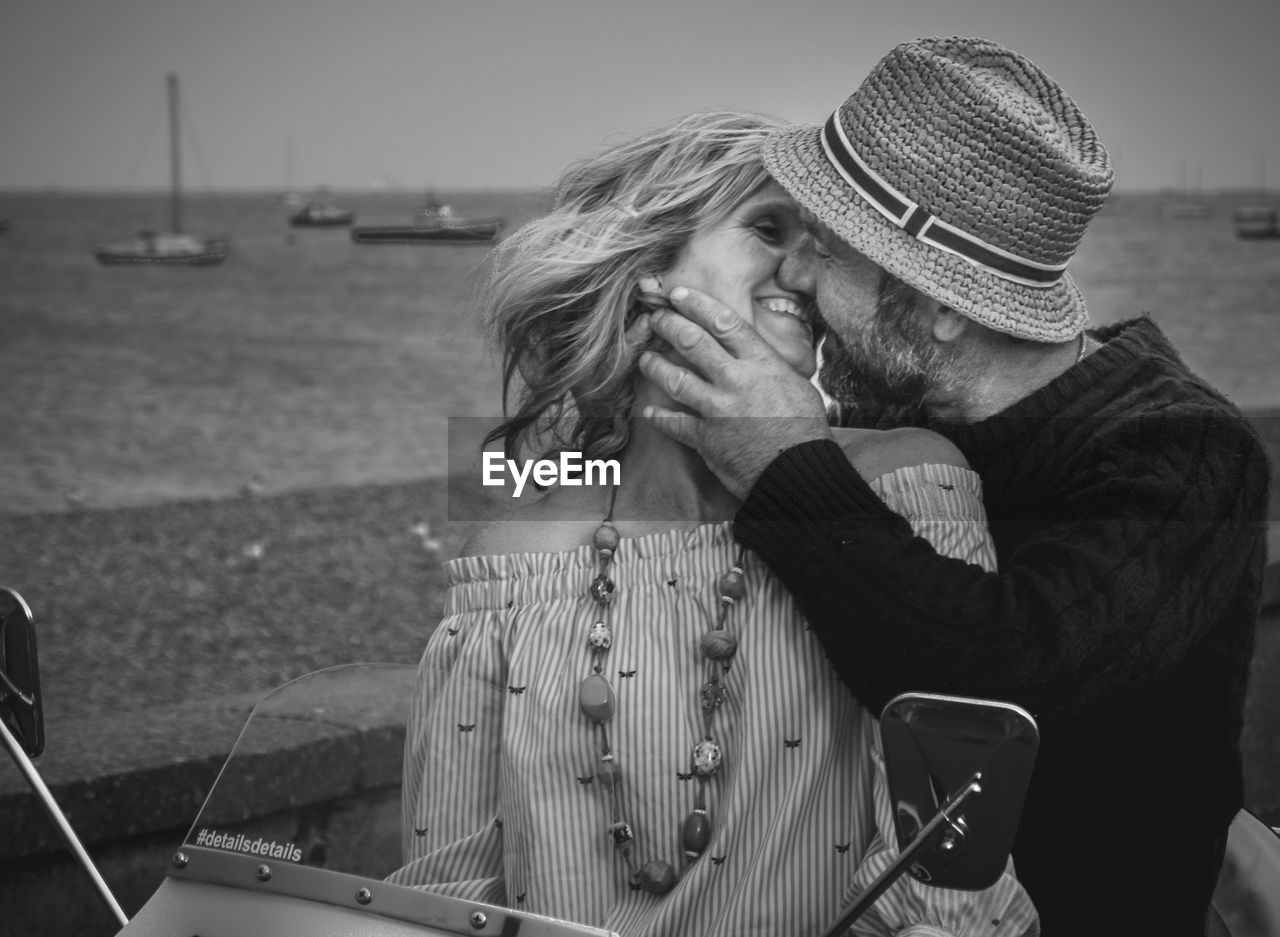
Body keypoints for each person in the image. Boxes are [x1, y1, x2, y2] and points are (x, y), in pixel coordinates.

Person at [634, 37, 1272, 937]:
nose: (795, 277)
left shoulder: (1188, 454)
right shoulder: (898, 414)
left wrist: (784, 464)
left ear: (941, 307)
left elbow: (999, 685)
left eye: (828, 250)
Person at [387, 111, 1038, 936]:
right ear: (645, 265)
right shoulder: (514, 561)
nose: (805, 272)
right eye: (768, 228)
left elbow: (948, 866)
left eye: (824, 245)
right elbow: (446, 892)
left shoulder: (906, 481)